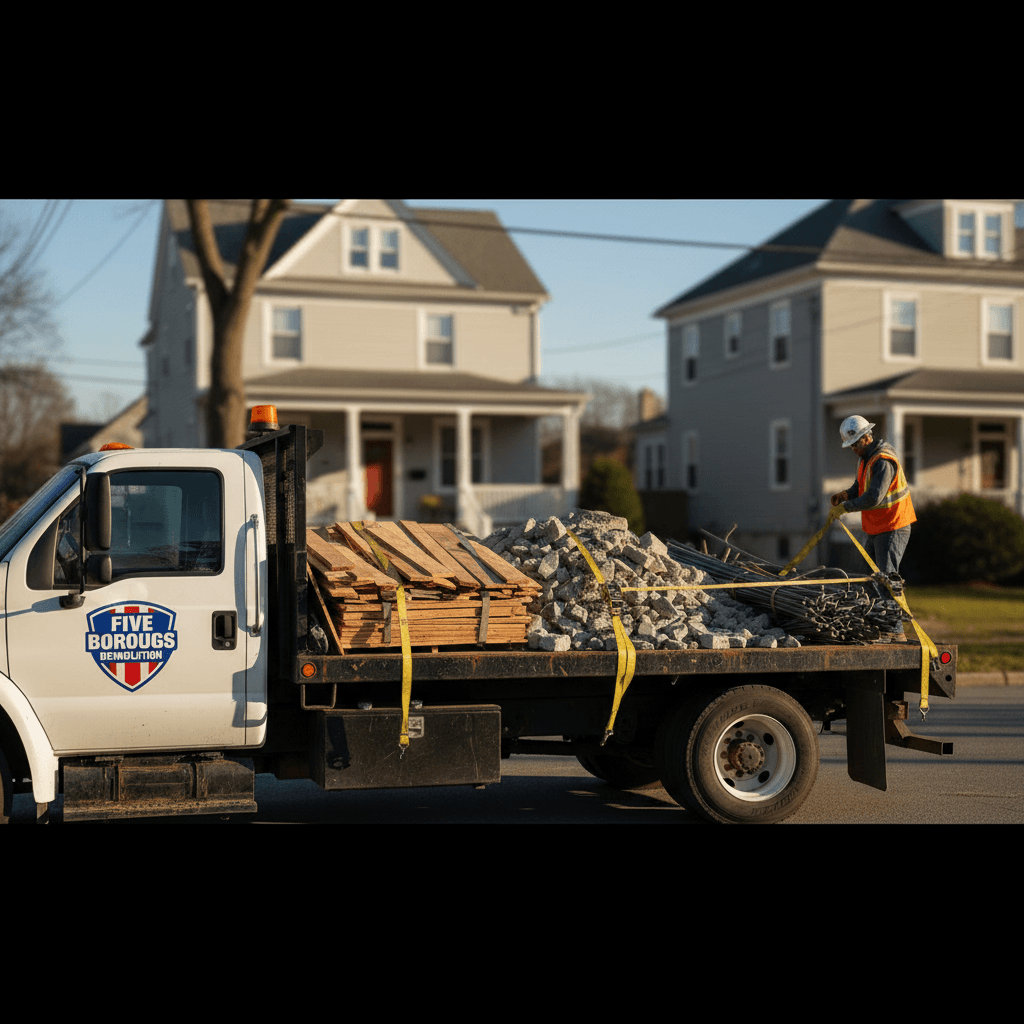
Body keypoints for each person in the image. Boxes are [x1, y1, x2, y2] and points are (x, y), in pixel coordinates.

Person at [830, 415, 917, 641]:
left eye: (854, 445)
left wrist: (846, 507)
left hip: (893, 526)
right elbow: (861, 487)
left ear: (866, 438)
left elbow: (873, 497)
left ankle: (895, 631)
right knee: (869, 577)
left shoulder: (882, 460)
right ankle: (878, 625)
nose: (853, 450)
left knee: (886, 578)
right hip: (879, 527)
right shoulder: (866, 459)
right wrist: (846, 494)